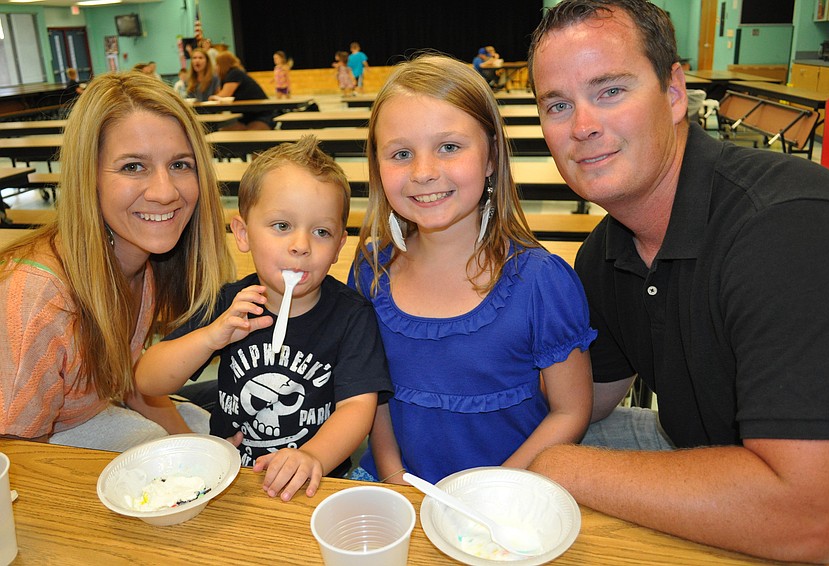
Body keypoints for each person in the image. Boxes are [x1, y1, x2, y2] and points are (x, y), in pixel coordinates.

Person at [526, 1, 829, 562]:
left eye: (610, 91)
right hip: (717, 455)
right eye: (558, 104)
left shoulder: (789, 226)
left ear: (674, 92)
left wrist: (561, 468)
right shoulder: (605, 253)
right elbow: (583, 400)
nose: (582, 126)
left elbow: (813, 519)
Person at [350, 54, 595, 485]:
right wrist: (395, 478)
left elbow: (570, 411)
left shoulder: (541, 282)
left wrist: (487, 493)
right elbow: (373, 398)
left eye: (449, 147)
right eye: (401, 153)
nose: (424, 172)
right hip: (397, 492)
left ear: (491, 157)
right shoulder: (371, 273)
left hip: (504, 498)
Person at [136, 136, 392, 501]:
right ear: (243, 234)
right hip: (229, 477)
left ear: (338, 247)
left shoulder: (352, 317)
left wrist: (312, 457)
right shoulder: (227, 304)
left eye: (321, 232)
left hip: (313, 484)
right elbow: (149, 379)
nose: (301, 245)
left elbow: (357, 407)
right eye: (282, 226)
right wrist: (212, 337)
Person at [0, 72, 234, 452]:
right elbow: (17, 453)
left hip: (96, 413)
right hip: (33, 450)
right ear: (89, 177)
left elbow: (131, 383)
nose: (165, 192)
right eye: (133, 167)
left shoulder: (143, 262)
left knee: (221, 432)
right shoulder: (39, 299)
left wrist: (198, 450)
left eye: (180, 164)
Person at [213, 51, 274, 130]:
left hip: (261, 114)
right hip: (245, 116)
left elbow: (224, 95)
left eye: (217, 64)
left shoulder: (234, 73)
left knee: (251, 134)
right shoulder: (229, 75)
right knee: (223, 132)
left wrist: (213, 97)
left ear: (222, 64)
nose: (215, 67)